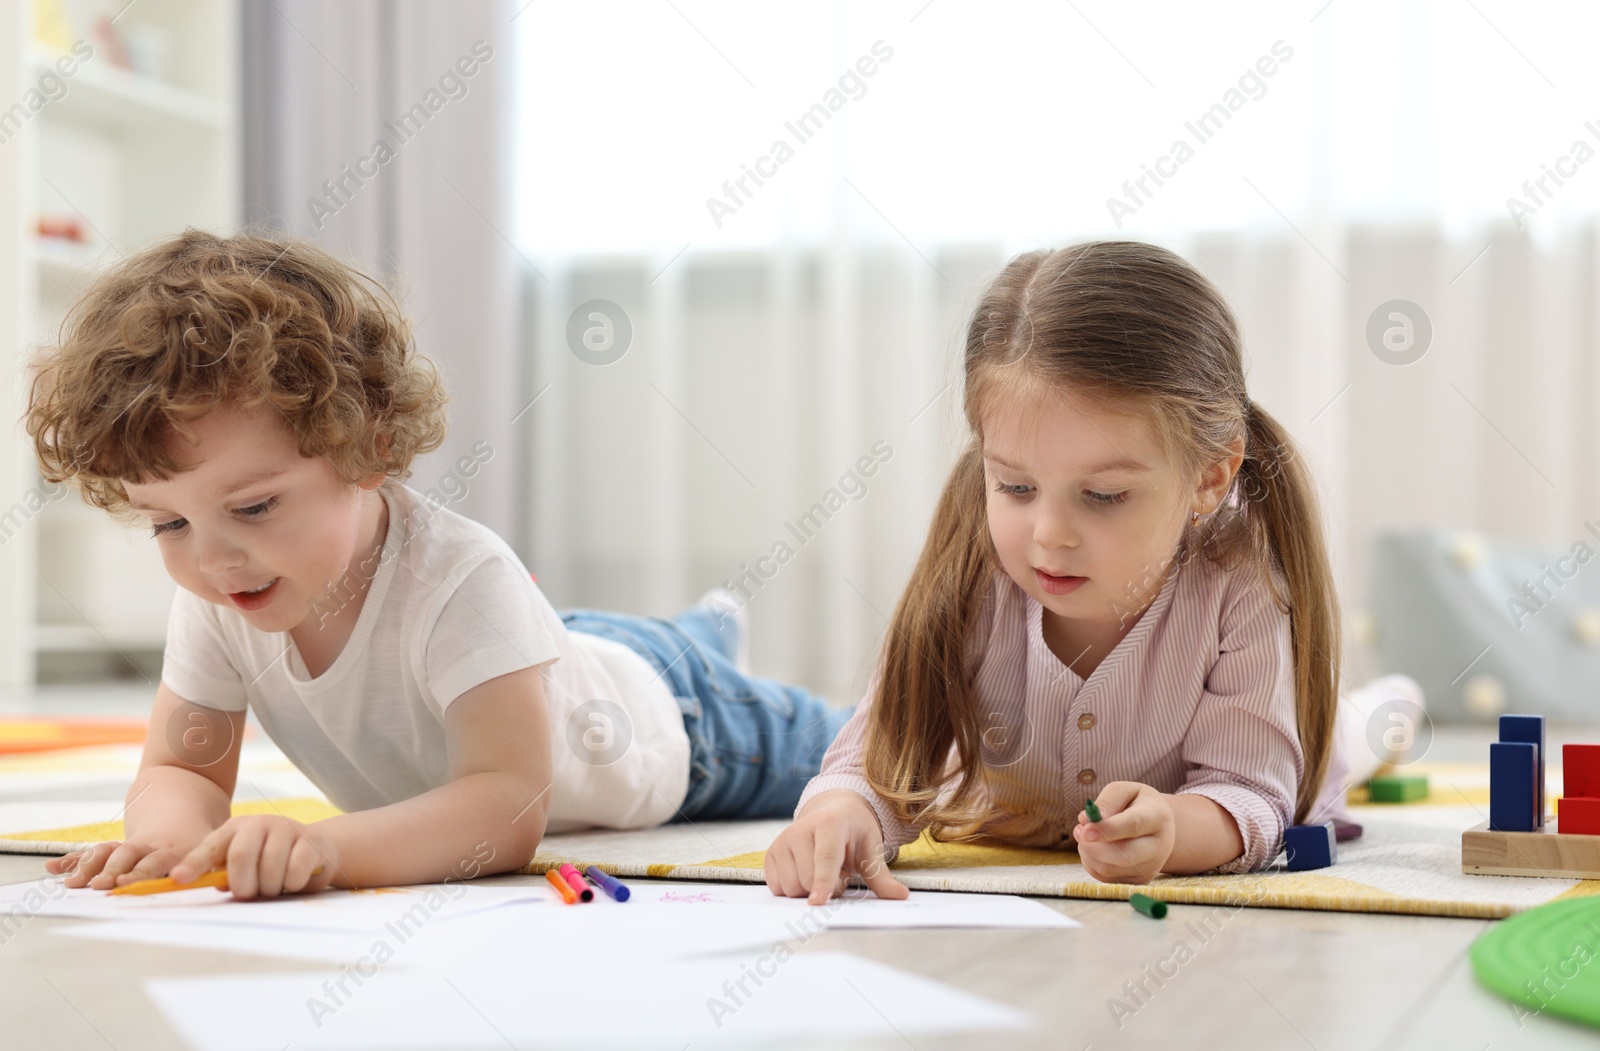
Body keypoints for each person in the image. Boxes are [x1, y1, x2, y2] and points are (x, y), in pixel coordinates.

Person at [26, 229, 851, 899]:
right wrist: (169, 836)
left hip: (685, 727)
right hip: (545, 662)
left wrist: (322, 848)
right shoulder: (220, 593)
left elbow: (506, 803)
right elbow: (180, 766)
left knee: (875, 749)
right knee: (585, 650)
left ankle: (701, 640)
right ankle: (701, 626)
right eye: (168, 521)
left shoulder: (461, 578)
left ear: (369, 447)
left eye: (252, 508)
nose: (210, 557)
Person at [764, 241, 1417, 903]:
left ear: (1210, 477)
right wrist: (839, 814)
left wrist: (1173, 827)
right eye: (1015, 486)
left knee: (1345, 740)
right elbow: (877, 759)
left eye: (1102, 496)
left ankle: (1392, 705)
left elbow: (1249, 793)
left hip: (1295, 742)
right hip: (1019, 813)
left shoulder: (1237, 578)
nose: (1049, 535)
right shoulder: (972, 568)